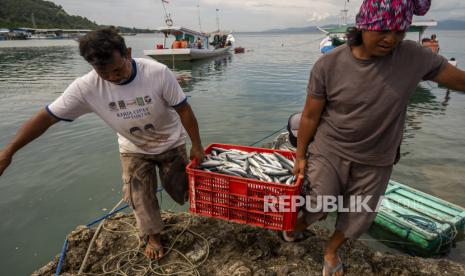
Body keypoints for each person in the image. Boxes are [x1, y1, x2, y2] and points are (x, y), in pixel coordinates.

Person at [284, 1, 465, 275]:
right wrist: (300, 156)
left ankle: (331, 250)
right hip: (330, 148)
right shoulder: (328, 65)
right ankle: (295, 228)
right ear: (363, 26)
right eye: (383, 29)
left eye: (400, 32)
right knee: (318, 202)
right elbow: (309, 116)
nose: (391, 39)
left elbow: (460, 81)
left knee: (359, 217)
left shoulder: (415, 57)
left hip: (378, 157)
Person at [0, 27, 205, 260]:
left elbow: (184, 109)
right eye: (104, 73)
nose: (113, 78)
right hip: (133, 147)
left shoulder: (157, 72)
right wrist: (9, 151)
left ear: (127, 52)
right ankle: (153, 235)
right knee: (139, 194)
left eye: (118, 70)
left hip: (171, 142)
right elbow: (46, 117)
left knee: (180, 191)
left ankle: (180, 200)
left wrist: (196, 145)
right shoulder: (85, 88)